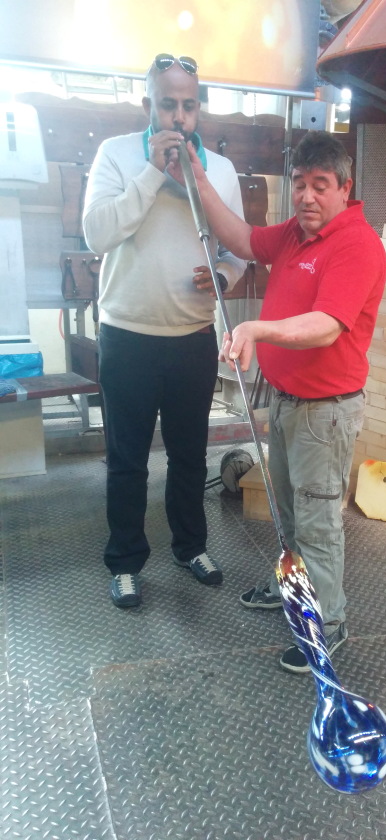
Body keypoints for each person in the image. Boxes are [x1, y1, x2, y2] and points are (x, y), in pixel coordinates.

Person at [171, 130, 386, 672]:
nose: (308, 197)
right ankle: (292, 590)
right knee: (288, 512)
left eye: (320, 186)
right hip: (291, 401)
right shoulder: (296, 233)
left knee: (316, 523)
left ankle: (329, 623)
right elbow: (242, 239)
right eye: (300, 184)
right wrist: (197, 176)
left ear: (344, 188)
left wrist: (255, 329)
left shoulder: (357, 245)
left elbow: (326, 326)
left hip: (326, 411)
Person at [83, 54, 246, 608]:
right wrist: (152, 172)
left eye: (188, 105)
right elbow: (97, 235)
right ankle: (125, 562)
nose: (178, 116)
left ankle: (190, 546)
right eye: (167, 104)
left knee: (189, 455)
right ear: (147, 105)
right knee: (127, 458)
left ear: (199, 108)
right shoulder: (117, 154)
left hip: (191, 336)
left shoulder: (218, 170)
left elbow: (238, 250)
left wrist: (222, 275)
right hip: (127, 333)